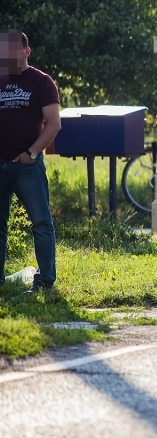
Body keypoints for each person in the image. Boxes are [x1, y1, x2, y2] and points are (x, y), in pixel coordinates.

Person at [0, 31, 61, 293]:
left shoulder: (41, 82)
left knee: (41, 222)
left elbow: (54, 124)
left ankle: (45, 281)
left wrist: (32, 153)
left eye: (14, 50)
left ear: (27, 51)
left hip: (27, 166)